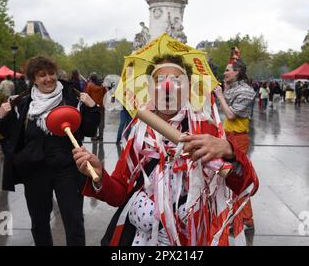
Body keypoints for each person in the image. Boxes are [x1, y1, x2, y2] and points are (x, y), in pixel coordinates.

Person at [72, 54, 259, 246]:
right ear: (150, 89)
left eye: (177, 80)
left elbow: (248, 185)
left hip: (192, 238)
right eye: (160, 80)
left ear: (187, 89)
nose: (167, 87)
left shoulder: (206, 129)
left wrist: (228, 150)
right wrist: (100, 176)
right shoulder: (138, 133)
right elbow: (118, 195)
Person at [0, 56, 101, 246]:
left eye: (51, 73)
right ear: (33, 79)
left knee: (74, 221)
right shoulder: (23, 103)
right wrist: (1, 117)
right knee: (39, 222)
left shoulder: (72, 97)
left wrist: (92, 108)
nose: (48, 79)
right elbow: (12, 134)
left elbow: (89, 130)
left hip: (68, 169)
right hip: (35, 171)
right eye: (41, 75)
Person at [214, 59, 256, 234]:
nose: (225, 73)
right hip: (228, 137)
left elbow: (230, 114)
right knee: (227, 178)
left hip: (238, 139)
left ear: (237, 72)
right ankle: (239, 218)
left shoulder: (246, 91)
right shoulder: (232, 88)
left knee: (236, 178)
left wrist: (221, 95)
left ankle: (246, 220)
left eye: (227, 70)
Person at [85, 72, 107, 141]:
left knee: (94, 121)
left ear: (91, 79)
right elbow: (105, 94)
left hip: (93, 106)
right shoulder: (102, 86)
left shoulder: (90, 86)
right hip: (101, 105)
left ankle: (94, 136)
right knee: (101, 121)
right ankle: (101, 136)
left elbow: (87, 95)